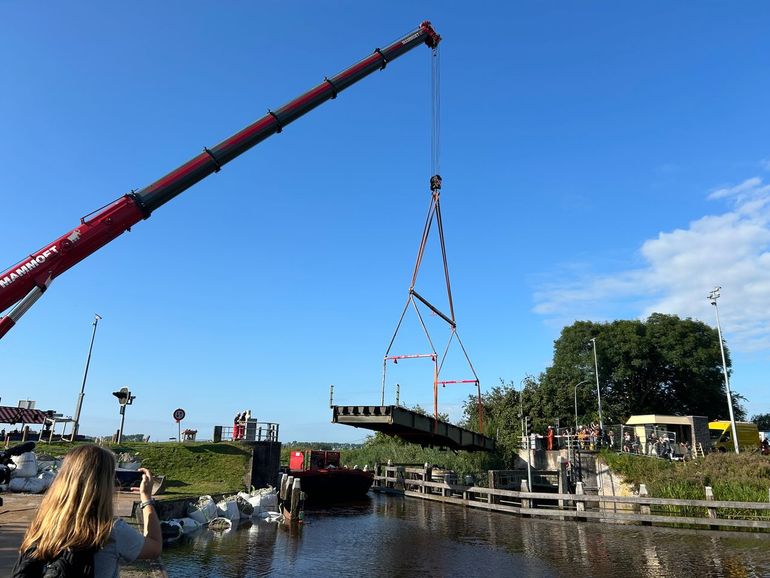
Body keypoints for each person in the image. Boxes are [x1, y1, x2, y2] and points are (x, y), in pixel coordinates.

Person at [15, 444, 161, 577]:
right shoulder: (110, 530)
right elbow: (154, 547)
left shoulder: (43, 523)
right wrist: (146, 498)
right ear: (104, 485)